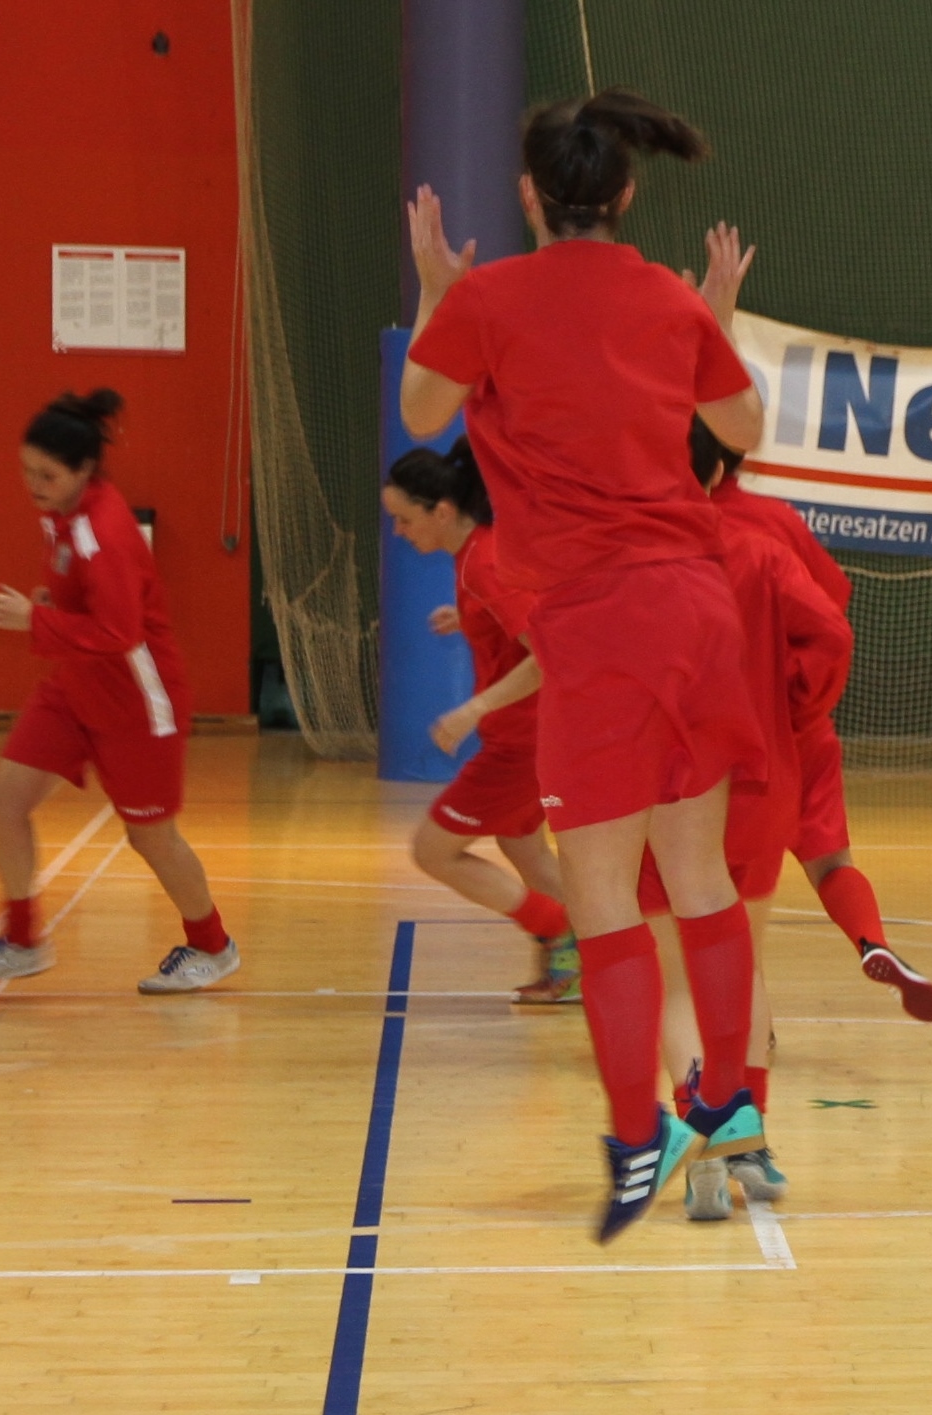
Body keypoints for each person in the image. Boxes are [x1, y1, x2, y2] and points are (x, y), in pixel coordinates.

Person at [400, 89, 772, 1242]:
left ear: (528, 194)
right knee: (701, 878)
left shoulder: (485, 298)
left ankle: (642, 1131)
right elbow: (745, 431)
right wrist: (710, 313)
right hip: (696, 609)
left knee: (606, 897)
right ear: (625, 193)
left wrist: (431, 286)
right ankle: (725, 1106)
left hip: (600, 625)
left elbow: (421, 414)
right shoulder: (664, 296)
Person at [0, 390, 239, 995]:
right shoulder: (63, 511)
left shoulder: (102, 533)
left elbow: (119, 631)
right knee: (3, 804)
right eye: (27, 470)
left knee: (150, 837)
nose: (33, 484)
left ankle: (212, 945)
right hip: (75, 686)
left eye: (46, 475)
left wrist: (35, 620)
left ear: (83, 470)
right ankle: (23, 940)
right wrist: (53, 610)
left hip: (137, 702)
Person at [644, 421, 855, 1219]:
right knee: (745, 962)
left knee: (676, 980)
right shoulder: (761, 549)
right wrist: (794, 704)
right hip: (760, 779)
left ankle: (705, 1137)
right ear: (716, 473)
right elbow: (830, 631)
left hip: (658, 787)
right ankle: (748, 1136)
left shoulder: (619, 559)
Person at [709, 440, 932, 1021]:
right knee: (831, 861)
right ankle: (871, 940)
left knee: (728, 908)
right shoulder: (778, 521)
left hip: (729, 742)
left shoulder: (678, 535)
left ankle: (746, 1045)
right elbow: (832, 609)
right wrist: (804, 699)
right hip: (802, 727)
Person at [378, 440, 579, 1003]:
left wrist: (473, 708)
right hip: (532, 736)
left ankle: (558, 929)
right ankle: (604, 952)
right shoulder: (477, 557)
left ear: (441, 511)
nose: (398, 531)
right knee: (525, 850)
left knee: (431, 850)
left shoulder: (485, 564)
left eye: (404, 519)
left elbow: (547, 655)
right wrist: (470, 621)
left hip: (522, 742)